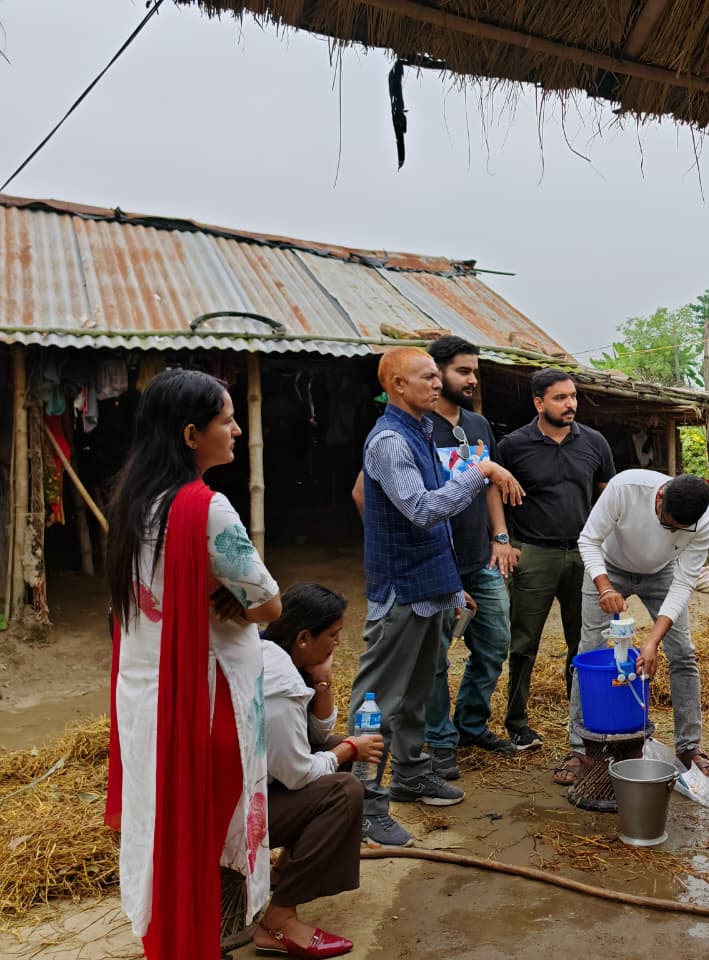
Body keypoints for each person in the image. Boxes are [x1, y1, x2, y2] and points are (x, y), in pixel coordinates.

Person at [105, 369, 282, 960]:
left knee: (165, 832)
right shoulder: (208, 509)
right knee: (203, 837)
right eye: (225, 420)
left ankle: (174, 935)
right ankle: (203, 937)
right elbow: (270, 604)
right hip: (203, 698)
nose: (235, 430)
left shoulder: (132, 502)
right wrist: (235, 596)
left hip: (146, 699)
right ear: (190, 434)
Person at [352, 347, 523, 846]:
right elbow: (425, 510)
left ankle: (410, 772)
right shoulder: (388, 441)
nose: (436, 383)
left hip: (431, 585)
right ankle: (363, 802)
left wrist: (451, 585)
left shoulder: (423, 430)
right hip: (400, 589)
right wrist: (483, 471)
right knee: (377, 700)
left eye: (435, 375)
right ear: (398, 385)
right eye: (426, 377)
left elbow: (437, 526)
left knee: (416, 690)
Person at [560, 471, 709, 784]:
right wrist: (604, 586)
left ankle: (688, 746)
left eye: (679, 530)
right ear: (659, 498)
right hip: (608, 566)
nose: (672, 532)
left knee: (684, 654)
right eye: (667, 524)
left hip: (662, 574)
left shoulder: (706, 520)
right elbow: (589, 540)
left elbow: (685, 581)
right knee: (589, 650)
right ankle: (580, 748)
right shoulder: (626, 487)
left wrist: (652, 642)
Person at [498, 369, 616, 758]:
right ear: (539, 403)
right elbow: (492, 496)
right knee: (523, 642)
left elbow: (606, 499)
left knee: (582, 643)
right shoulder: (513, 446)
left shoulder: (595, 443)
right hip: (534, 553)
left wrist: (606, 551)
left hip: (584, 555)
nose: (571, 404)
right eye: (561, 398)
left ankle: (579, 724)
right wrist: (502, 542)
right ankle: (516, 722)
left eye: (573, 397)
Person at [421, 337, 522, 780]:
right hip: (436, 563)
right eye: (463, 370)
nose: (472, 379)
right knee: (437, 657)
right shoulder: (416, 427)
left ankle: (471, 724)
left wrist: (500, 537)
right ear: (437, 372)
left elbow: (488, 486)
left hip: (480, 558)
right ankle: (440, 741)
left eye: (474, 371)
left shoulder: (477, 425)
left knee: (495, 642)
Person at [259, 584, 376, 958]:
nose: (337, 644)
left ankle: (281, 877)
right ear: (304, 637)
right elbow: (296, 774)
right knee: (344, 791)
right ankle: (278, 918)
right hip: (229, 814)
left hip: (250, 791)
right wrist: (346, 752)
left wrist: (322, 681)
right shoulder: (279, 684)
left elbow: (316, 734)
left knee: (338, 750)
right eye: (333, 636)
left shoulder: (278, 657)